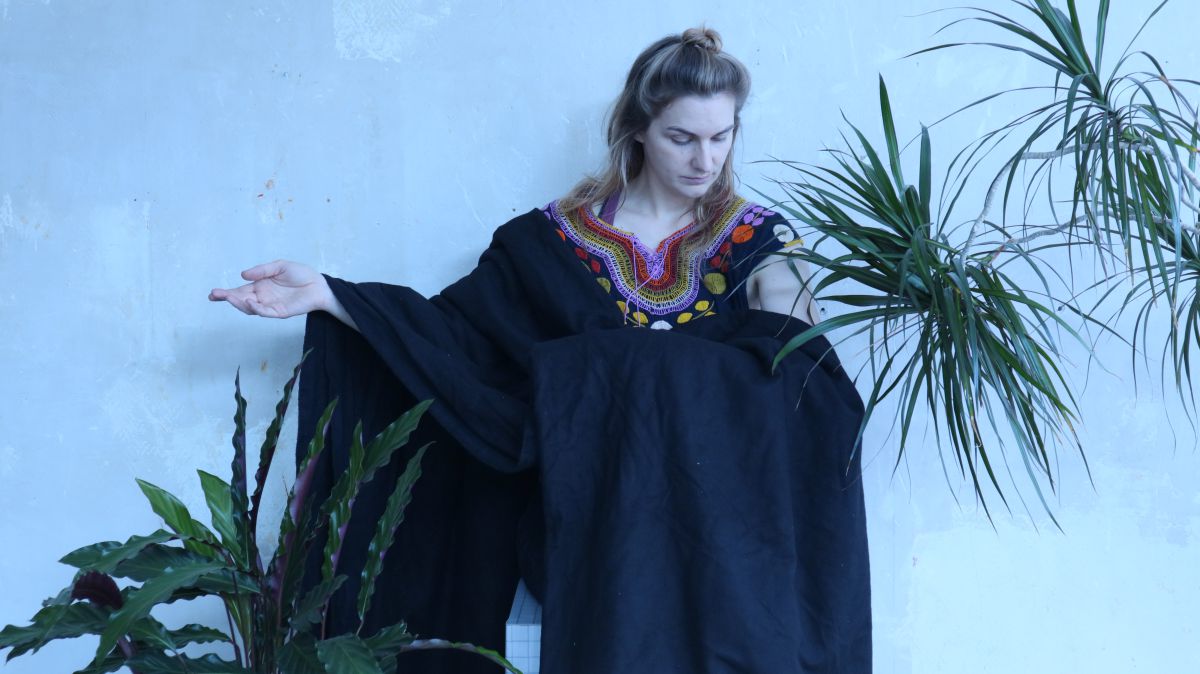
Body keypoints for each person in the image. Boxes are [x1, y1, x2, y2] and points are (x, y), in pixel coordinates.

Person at [211, 27, 870, 674]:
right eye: (683, 138)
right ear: (638, 128)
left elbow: (796, 366)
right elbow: (460, 346)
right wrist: (334, 297)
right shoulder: (549, 243)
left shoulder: (758, 241)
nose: (706, 160)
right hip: (587, 534)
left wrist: (614, 367)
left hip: (720, 545)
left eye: (722, 137)